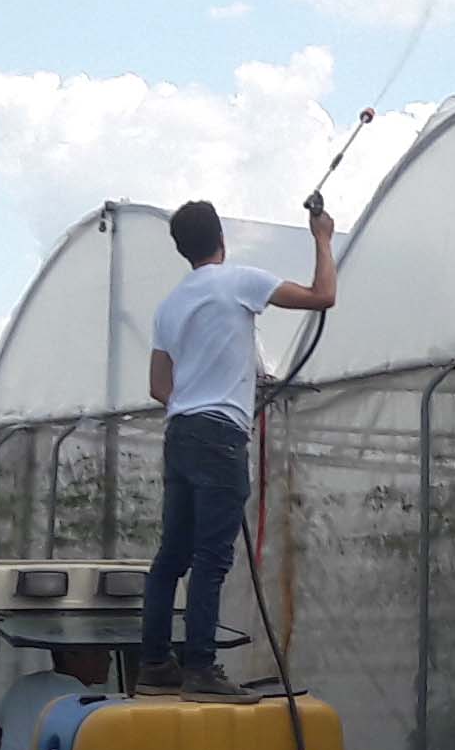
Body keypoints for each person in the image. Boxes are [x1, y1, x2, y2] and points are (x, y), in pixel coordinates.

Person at [141, 192, 338, 694]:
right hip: (220, 436)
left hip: (180, 433)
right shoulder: (239, 281)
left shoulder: (170, 305)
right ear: (221, 241)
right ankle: (201, 669)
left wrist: (198, 392)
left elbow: (158, 388)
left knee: (172, 558)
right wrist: (322, 239)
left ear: (183, 249)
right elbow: (322, 296)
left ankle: (155, 664)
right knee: (212, 558)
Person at [0, 647, 108, 750]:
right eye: (99, 652)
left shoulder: (23, 684)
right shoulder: (90, 705)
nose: (109, 659)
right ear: (69, 655)